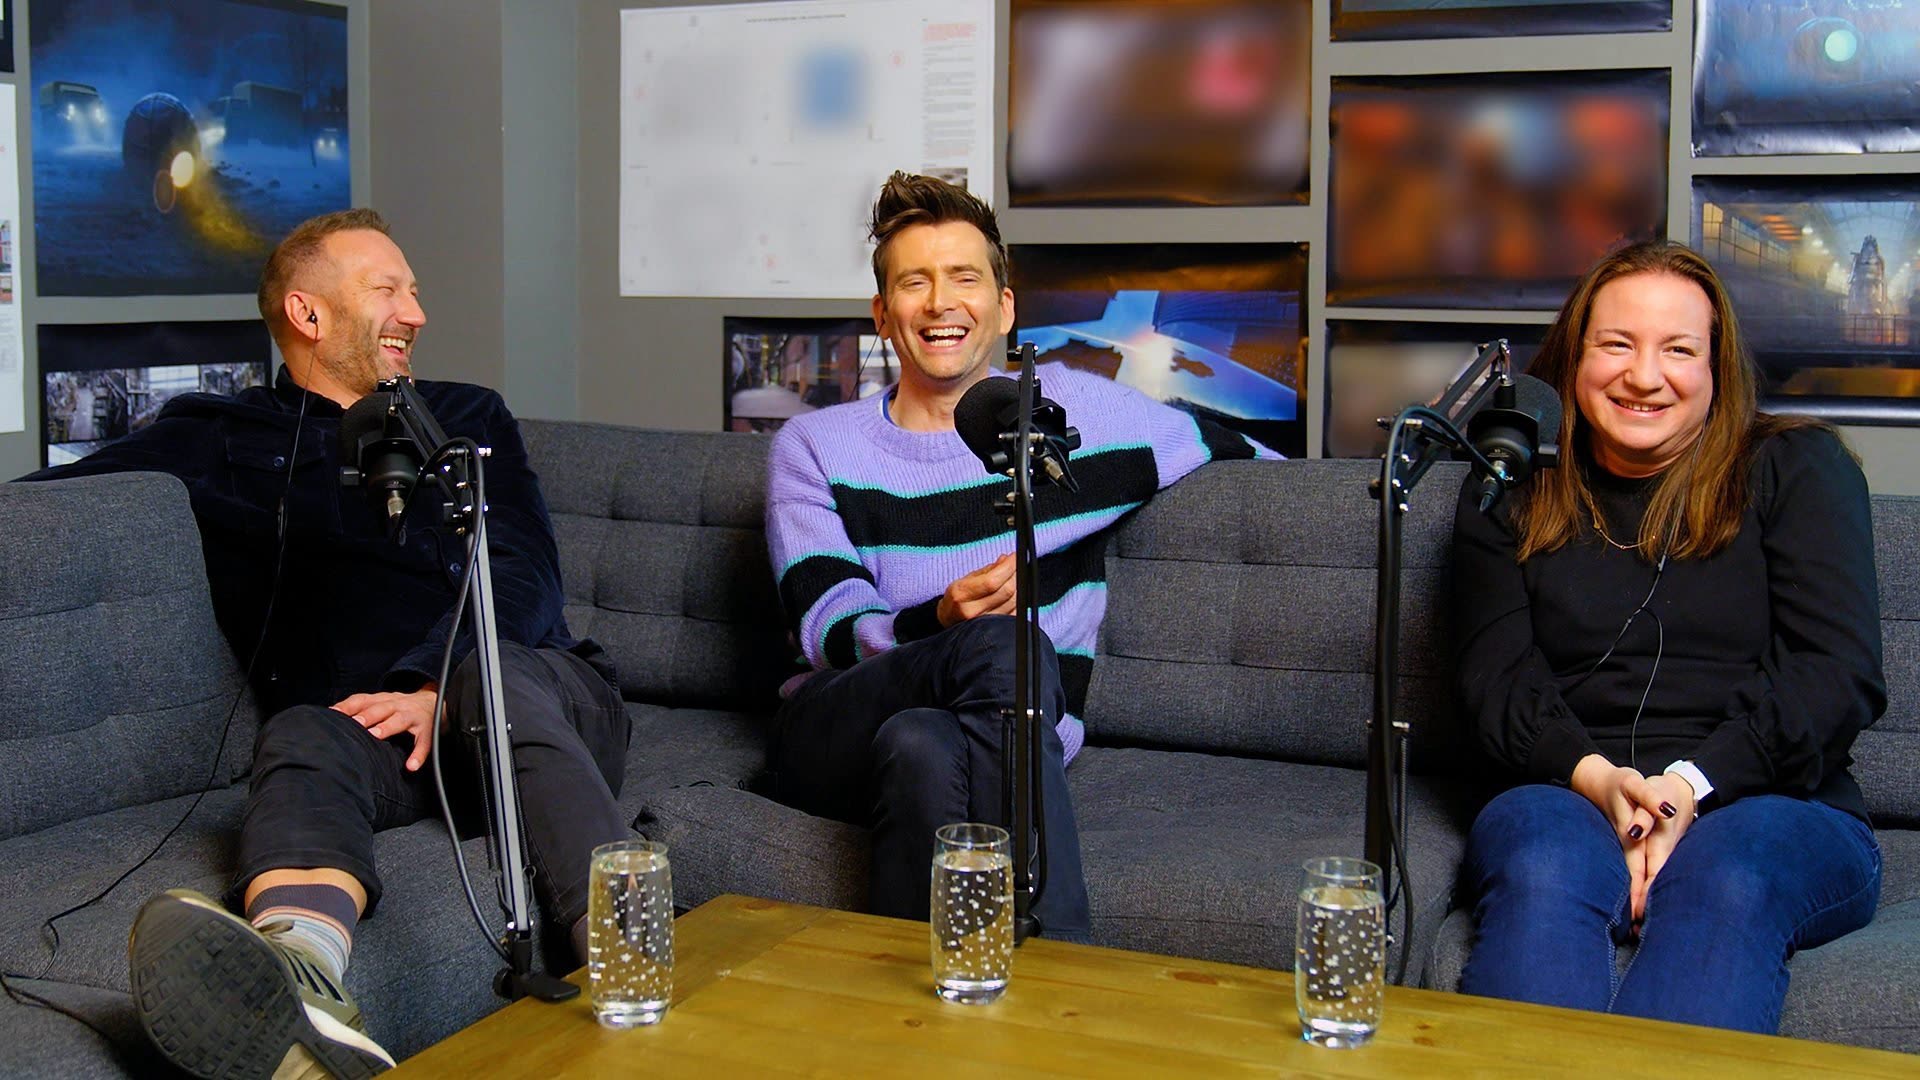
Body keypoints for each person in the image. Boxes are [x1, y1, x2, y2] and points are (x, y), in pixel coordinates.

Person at [29, 209, 631, 1076]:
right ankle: (299, 994)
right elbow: (42, 497)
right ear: (308, 314)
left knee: (488, 679)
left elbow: (524, 570)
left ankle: (633, 960)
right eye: (388, 290)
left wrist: (434, 683)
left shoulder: (465, 416)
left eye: (414, 291)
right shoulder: (216, 434)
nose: (416, 313)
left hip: (541, 700)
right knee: (302, 732)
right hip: (379, 740)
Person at [763, 172, 1277, 939]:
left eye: (964, 278)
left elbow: (1248, 456)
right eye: (914, 282)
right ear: (883, 314)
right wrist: (938, 621)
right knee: (1001, 646)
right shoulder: (814, 445)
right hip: (838, 724)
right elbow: (828, 630)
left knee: (923, 746)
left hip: (984, 734)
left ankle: (923, 1002)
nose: (940, 302)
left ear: (1005, 307)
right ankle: (1063, 961)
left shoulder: (1079, 418)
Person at [1451, 239, 1883, 1034]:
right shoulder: (1508, 481)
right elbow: (1495, 683)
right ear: (1573, 358)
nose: (1644, 376)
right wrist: (1603, 784)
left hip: (1773, 804)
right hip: (1567, 791)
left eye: (1678, 350)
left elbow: (1835, 675)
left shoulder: (1799, 468)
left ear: (1717, 368)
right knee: (1542, 864)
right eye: (1616, 344)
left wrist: (1686, 787)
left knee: (1727, 877)